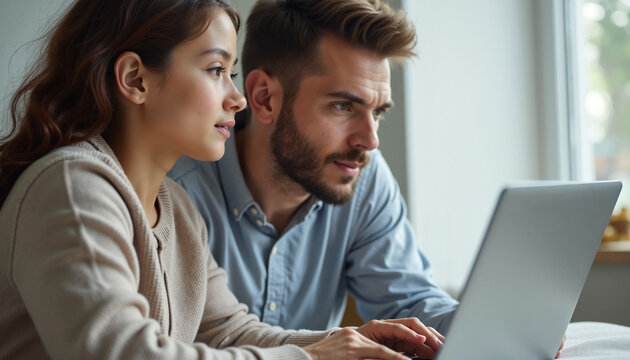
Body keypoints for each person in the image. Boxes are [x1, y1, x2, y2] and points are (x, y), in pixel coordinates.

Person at [0, 0, 447, 359]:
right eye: (217, 70)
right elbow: (123, 352)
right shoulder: (72, 186)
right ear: (136, 78)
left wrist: (348, 343)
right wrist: (314, 358)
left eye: (229, 73)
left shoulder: (175, 206)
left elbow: (229, 331)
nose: (236, 99)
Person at [169, 0, 458, 334]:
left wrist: (495, 322)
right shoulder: (176, 188)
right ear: (264, 98)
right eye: (343, 106)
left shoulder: (362, 175)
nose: (370, 141)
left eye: (378, 112)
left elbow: (410, 305)